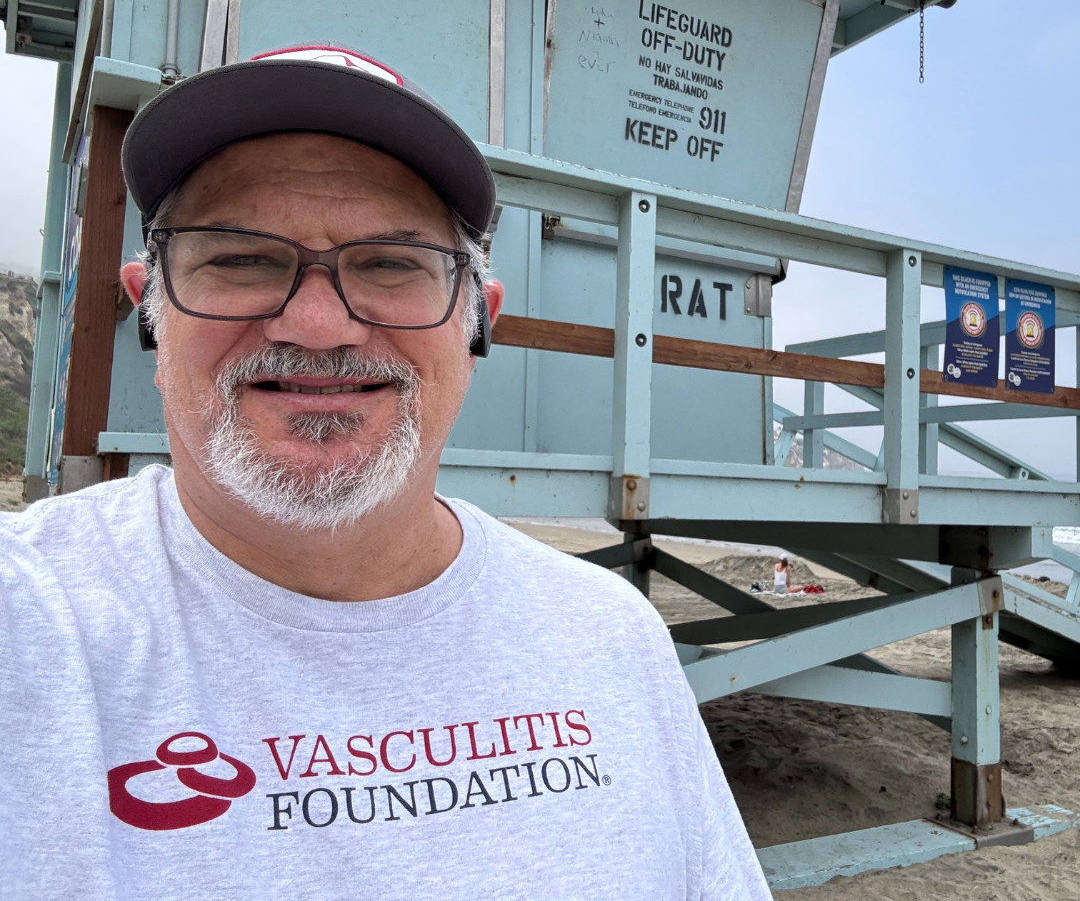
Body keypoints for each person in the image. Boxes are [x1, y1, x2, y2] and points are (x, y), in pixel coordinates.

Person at [0, 45, 770, 900]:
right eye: (241, 259)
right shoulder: (32, 625)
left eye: (391, 263)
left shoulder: (613, 637)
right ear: (153, 313)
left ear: (478, 322)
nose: (320, 324)